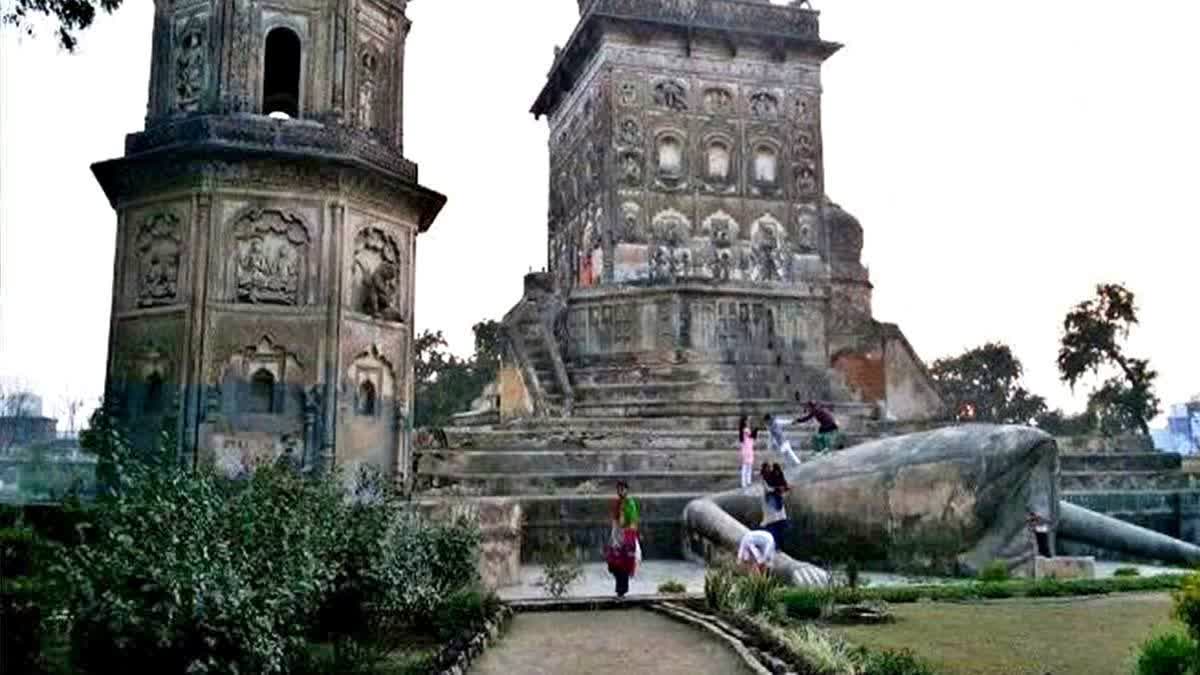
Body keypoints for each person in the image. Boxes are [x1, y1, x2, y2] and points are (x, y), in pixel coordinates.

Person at [607, 480, 641, 597]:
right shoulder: (617, 503)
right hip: (617, 534)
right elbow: (615, 520)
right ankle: (619, 589)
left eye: (622, 489)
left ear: (626, 490)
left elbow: (633, 521)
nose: (620, 491)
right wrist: (614, 536)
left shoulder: (630, 503)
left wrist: (628, 537)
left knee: (624, 564)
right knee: (614, 564)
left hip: (627, 536)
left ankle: (622, 590)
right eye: (618, 489)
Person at [761, 464, 790, 548]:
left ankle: (779, 547)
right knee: (772, 526)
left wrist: (784, 488)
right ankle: (774, 546)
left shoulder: (776, 477)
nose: (770, 469)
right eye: (768, 468)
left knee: (780, 525)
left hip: (778, 507)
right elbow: (769, 489)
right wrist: (779, 489)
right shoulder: (765, 479)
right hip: (771, 506)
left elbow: (782, 485)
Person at [738, 416, 757, 488]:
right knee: (746, 466)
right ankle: (745, 482)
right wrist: (755, 430)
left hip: (748, 449)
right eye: (747, 421)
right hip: (747, 449)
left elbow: (752, 437)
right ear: (745, 421)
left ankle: (748, 481)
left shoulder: (745, 429)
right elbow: (752, 435)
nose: (748, 422)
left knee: (748, 466)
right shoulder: (745, 429)